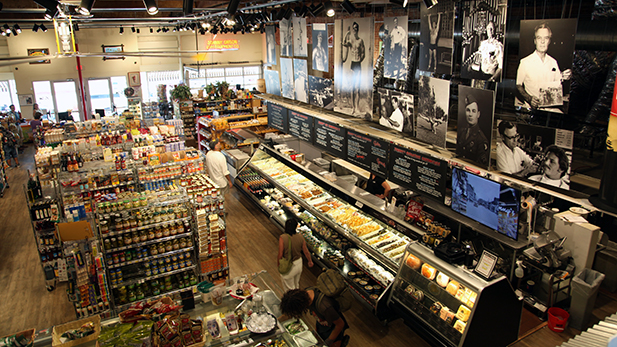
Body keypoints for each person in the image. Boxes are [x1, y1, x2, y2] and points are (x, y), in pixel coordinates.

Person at [516, 22, 571, 112]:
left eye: (546, 38)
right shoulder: (525, 62)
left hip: (550, 108)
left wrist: (566, 76)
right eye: (539, 38)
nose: (542, 41)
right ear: (535, 41)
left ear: (549, 41)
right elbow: (518, 85)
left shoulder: (553, 62)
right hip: (531, 109)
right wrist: (529, 98)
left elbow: (559, 82)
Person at [280, 289, 350, 347]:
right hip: (321, 325)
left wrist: (329, 341)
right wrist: (277, 320)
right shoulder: (304, 296)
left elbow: (340, 324)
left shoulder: (325, 307)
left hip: (333, 331)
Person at [278, 218, 313, 291]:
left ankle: (292, 301)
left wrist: (279, 265)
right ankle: (297, 299)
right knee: (296, 285)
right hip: (299, 264)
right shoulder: (300, 237)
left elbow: (280, 254)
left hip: (289, 265)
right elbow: (306, 251)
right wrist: (310, 261)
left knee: (289, 289)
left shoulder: (283, 238)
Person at [457, 93, 489, 167]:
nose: (470, 114)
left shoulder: (481, 139)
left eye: (473, 111)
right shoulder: (462, 131)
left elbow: (481, 165)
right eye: (468, 110)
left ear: (478, 114)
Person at [342, 22, 365, 116]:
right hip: (352, 64)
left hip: (358, 64)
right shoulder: (350, 40)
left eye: (356, 28)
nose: (354, 30)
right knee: (352, 87)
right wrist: (347, 33)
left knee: (357, 88)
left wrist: (360, 59)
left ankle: (357, 107)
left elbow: (363, 53)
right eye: (353, 29)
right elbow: (343, 43)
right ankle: (353, 108)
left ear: (358, 29)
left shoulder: (360, 41)